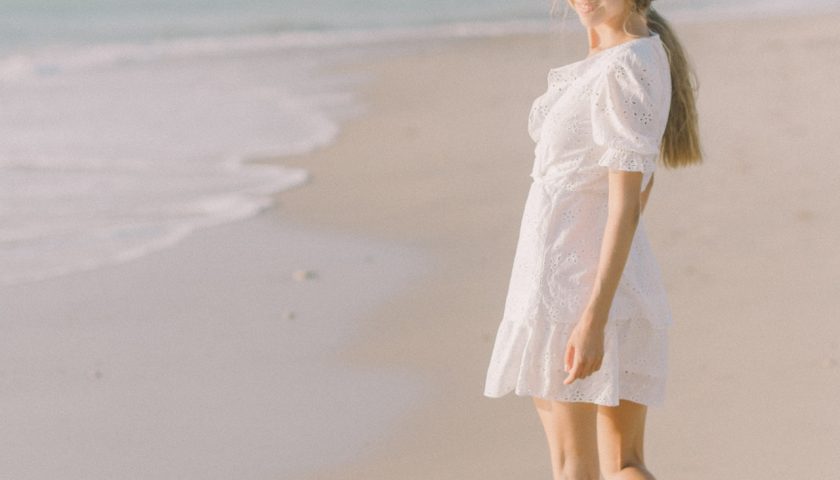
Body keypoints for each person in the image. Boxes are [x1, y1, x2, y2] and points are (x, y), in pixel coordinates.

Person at [482, 1, 702, 479]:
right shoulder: (641, 54)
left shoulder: (623, 67)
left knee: (573, 469)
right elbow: (638, 194)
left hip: (570, 291)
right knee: (624, 463)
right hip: (608, 282)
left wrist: (592, 320)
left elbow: (627, 203)